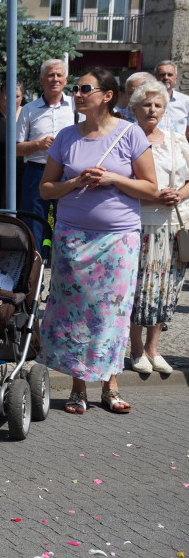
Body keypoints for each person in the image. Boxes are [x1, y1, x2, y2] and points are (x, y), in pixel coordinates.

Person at [38, 67, 157, 415]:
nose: (77, 93)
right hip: (72, 239)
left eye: (84, 88)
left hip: (118, 240)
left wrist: (112, 178)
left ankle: (110, 385)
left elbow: (150, 187)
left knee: (111, 313)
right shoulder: (65, 137)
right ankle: (78, 388)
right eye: (75, 88)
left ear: (107, 96)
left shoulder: (130, 134)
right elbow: (46, 189)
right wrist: (74, 183)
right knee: (74, 313)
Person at [127, 79, 188, 376]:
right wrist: (153, 193)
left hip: (174, 224)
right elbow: (121, 182)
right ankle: (136, 349)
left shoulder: (177, 141)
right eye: (146, 104)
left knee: (165, 291)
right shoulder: (126, 138)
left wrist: (179, 193)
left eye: (158, 105)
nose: (152, 109)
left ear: (165, 109)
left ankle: (154, 348)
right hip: (139, 222)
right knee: (139, 289)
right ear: (134, 108)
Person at [16, 58, 74, 257]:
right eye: (50, 75)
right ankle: (34, 280)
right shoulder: (28, 110)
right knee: (33, 226)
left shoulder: (76, 108)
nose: (55, 79)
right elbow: (16, 149)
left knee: (67, 224)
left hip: (67, 174)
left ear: (65, 80)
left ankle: (62, 276)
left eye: (59, 75)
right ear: (41, 80)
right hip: (36, 172)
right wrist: (38, 144)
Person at [154, 60, 189, 136]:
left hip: (178, 145)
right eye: (162, 74)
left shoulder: (186, 101)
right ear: (155, 78)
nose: (166, 77)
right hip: (154, 145)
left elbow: (188, 131)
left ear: (175, 79)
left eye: (169, 75)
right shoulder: (146, 100)